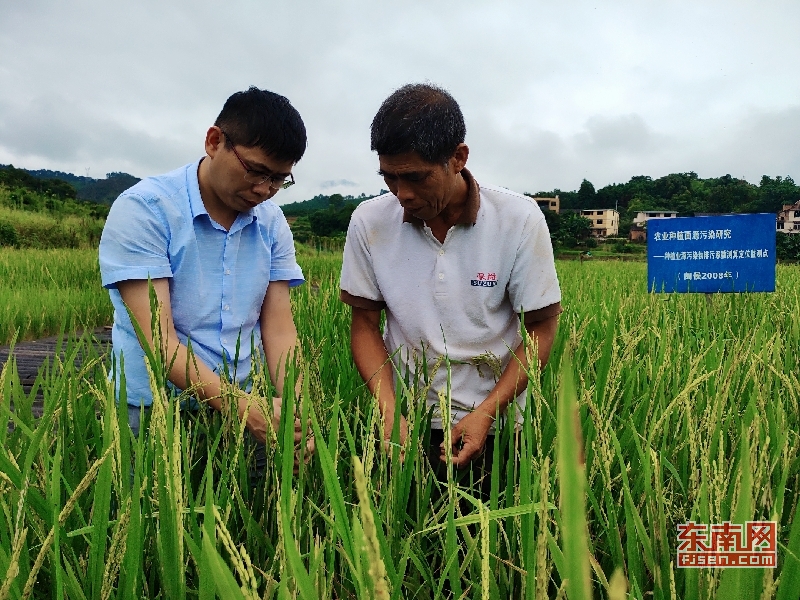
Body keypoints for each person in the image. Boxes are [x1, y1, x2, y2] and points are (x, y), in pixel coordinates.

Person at [339, 83, 561, 495]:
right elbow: (365, 325)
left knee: (492, 545)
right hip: (406, 422)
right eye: (389, 178)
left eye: (416, 177)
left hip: (495, 423)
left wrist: (488, 414)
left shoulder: (518, 219)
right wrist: (389, 411)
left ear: (458, 157)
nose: (403, 194)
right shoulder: (369, 222)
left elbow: (539, 329)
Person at [99, 87, 312, 460]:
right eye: (256, 171)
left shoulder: (272, 222)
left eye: (279, 180)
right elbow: (159, 341)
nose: (264, 190)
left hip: (249, 402)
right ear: (215, 141)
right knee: (149, 515)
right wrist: (239, 406)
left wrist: (296, 411)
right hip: (153, 409)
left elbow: (279, 328)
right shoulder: (145, 210)